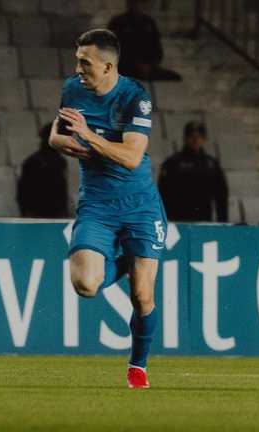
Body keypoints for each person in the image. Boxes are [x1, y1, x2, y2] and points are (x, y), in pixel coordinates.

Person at [49, 29, 165, 389]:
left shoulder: (135, 98)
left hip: (140, 205)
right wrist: (70, 144)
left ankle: (138, 366)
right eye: (77, 60)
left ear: (108, 66)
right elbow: (55, 136)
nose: (78, 67)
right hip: (97, 203)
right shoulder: (72, 90)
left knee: (142, 296)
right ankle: (129, 260)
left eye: (85, 62)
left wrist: (91, 137)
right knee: (85, 284)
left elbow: (131, 157)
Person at [158, 121, 228, 222]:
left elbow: (221, 197)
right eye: (191, 136)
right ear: (185, 138)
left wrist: (222, 223)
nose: (195, 140)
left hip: (204, 220)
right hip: (176, 220)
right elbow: (163, 194)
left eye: (199, 137)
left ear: (204, 139)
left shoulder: (211, 164)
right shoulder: (172, 163)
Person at [107, 0, 181, 81]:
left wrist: (150, 65)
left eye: (141, 3)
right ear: (129, 4)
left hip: (148, 68)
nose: (138, 6)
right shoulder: (118, 22)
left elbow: (157, 49)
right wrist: (136, 64)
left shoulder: (149, 23)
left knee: (176, 77)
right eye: (135, 3)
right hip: (125, 68)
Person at [17, 123, 71, 218]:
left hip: (56, 214)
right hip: (36, 215)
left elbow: (62, 191)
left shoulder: (61, 162)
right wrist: (28, 212)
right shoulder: (33, 162)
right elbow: (24, 191)